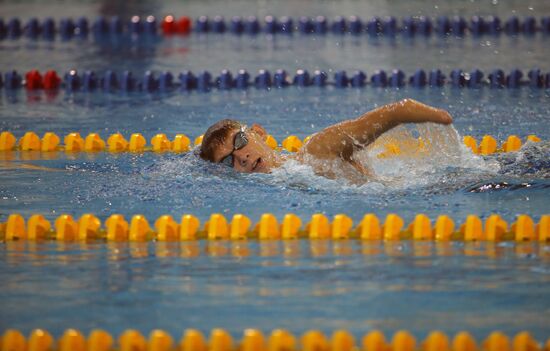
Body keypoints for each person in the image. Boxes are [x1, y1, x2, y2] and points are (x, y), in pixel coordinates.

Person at [198, 99, 453, 178]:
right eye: (226, 161)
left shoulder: (317, 152)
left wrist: (441, 117)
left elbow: (398, 111)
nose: (241, 157)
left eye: (240, 142)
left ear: (259, 133)